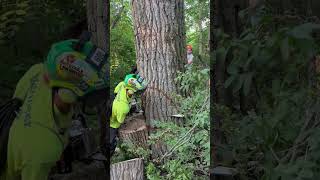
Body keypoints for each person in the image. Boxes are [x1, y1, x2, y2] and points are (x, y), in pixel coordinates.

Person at [0, 37, 108, 180]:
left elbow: (17, 103)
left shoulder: (37, 71)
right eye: (93, 99)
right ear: (67, 95)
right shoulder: (44, 149)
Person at [109, 73, 147, 156]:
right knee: (111, 141)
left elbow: (115, 91)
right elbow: (120, 120)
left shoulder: (122, 84)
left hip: (113, 104)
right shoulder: (124, 108)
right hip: (113, 123)